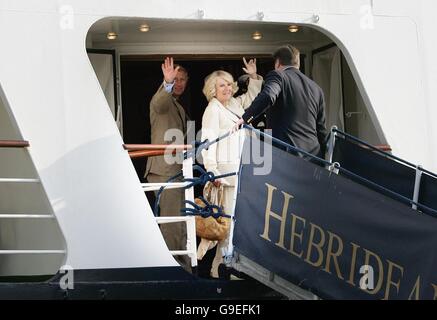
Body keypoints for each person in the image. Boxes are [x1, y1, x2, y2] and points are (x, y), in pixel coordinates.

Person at [200, 58, 263, 278]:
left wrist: (254, 77)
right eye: (221, 85)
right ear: (212, 90)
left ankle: (226, 268)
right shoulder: (212, 110)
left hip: (241, 172)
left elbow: (253, 99)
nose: (227, 88)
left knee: (237, 223)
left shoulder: (235, 104)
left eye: (228, 84)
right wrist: (213, 172)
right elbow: (207, 144)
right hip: (225, 175)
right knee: (227, 224)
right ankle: (221, 270)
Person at [234, 45, 328, 158]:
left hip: (286, 154)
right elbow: (321, 129)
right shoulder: (316, 88)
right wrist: (323, 158)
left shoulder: (278, 75)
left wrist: (246, 118)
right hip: (313, 156)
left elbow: (268, 96)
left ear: (278, 63)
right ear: (297, 63)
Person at [144, 57, 191, 271]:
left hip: (177, 170)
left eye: (182, 80)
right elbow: (160, 102)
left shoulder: (179, 107)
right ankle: (175, 268)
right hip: (164, 170)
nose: (179, 83)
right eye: (176, 79)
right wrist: (167, 83)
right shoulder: (161, 101)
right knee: (172, 223)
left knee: (180, 221)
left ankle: (182, 265)